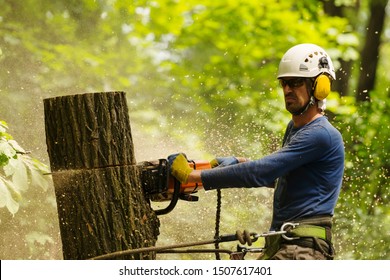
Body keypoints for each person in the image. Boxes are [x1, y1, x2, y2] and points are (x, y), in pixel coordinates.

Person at [169, 43, 344, 260]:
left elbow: (263, 172)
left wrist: (194, 176)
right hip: (286, 243)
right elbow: (281, 175)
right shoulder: (296, 129)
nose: (288, 90)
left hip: (303, 250)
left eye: (296, 83)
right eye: (284, 83)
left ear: (320, 86)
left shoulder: (321, 134)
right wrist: (240, 163)